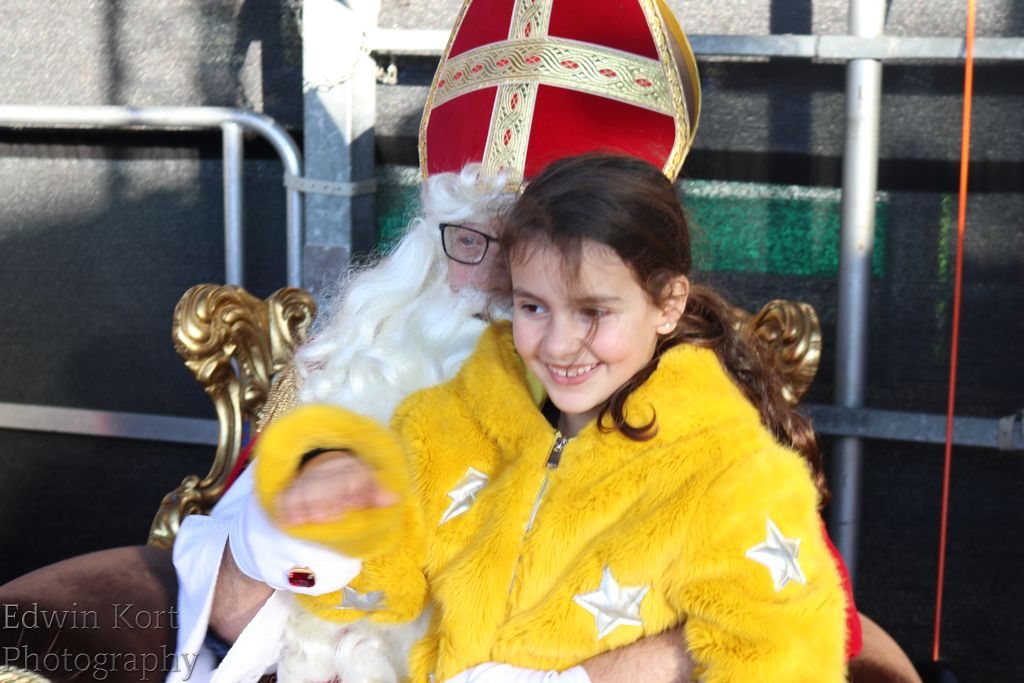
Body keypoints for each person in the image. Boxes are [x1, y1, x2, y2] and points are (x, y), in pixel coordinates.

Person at [255, 153, 850, 682]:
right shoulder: (448, 422)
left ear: (667, 304)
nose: (559, 344)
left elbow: (788, 659)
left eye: (593, 312)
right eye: (533, 307)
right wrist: (336, 503)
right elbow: (376, 590)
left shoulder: (733, 476)